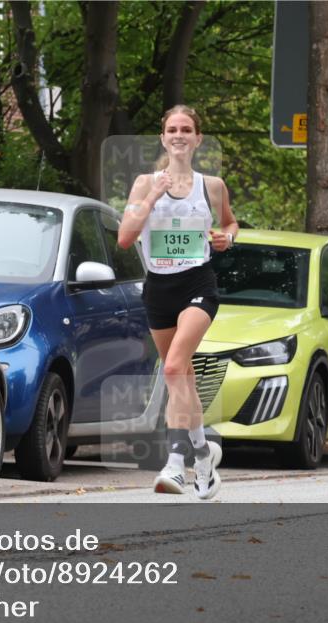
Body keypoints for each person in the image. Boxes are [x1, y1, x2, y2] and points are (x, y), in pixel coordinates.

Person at [117, 104, 239, 500]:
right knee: (181, 377)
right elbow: (125, 237)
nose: (179, 135)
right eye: (172, 129)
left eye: (186, 129)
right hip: (159, 289)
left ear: (198, 139)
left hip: (197, 284)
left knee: (172, 368)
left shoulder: (212, 186)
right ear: (163, 137)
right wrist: (153, 195)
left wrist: (227, 238)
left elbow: (230, 222)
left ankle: (174, 464)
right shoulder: (144, 183)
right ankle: (203, 458)